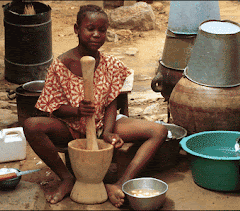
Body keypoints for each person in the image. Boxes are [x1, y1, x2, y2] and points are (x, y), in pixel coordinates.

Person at [23, 4, 168, 208]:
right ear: (77, 29)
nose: (96, 35)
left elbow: (111, 103)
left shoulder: (110, 64)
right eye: (90, 29)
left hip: (102, 125)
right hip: (70, 127)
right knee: (31, 125)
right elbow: (54, 107)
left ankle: (120, 183)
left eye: (102, 30)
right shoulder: (61, 65)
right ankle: (66, 178)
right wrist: (77, 111)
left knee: (159, 131)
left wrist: (107, 132)